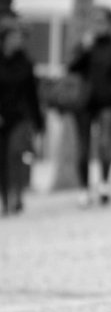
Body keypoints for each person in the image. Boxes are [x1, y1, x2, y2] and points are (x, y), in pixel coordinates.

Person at [67, 6, 111, 206]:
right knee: (83, 148)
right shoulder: (86, 46)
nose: (98, 25)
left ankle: (104, 184)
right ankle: (84, 188)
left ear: (110, 24)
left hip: (107, 102)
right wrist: (84, 48)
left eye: (102, 21)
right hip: (84, 103)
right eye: (95, 21)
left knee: (105, 144)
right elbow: (72, 68)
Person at [0, 20, 44, 216]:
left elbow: (32, 94)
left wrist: (38, 122)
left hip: (20, 117)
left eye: (19, 37)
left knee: (17, 155)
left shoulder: (26, 63)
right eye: (13, 37)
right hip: (1, 116)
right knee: (2, 159)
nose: (17, 41)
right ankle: (5, 198)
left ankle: (17, 195)